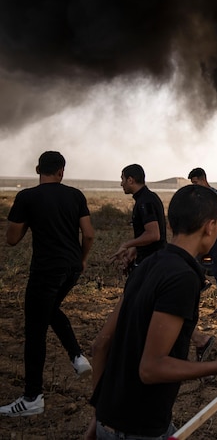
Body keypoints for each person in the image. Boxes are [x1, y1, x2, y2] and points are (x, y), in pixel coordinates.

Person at [85, 185, 217, 440]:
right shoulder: (182, 278)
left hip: (109, 422)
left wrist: (100, 415)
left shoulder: (146, 265)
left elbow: (101, 344)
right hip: (140, 429)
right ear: (210, 227)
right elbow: (151, 368)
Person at [0, 151, 96, 417]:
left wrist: (30, 219)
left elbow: (11, 239)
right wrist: (82, 259)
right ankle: (77, 356)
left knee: (35, 330)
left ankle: (32, 398)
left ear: (37, 169)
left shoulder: (27, 197)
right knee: (50, 309)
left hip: (45, 270)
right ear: (62, 171)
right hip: (71, 269)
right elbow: (88, 234)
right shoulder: (76, 195)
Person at [112, 164, 215, 361]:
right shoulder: (146, 199)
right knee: (156, 307)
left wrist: (128, 244)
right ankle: (200, 339)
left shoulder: (145, 202)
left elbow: (154, 234)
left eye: (123, 179)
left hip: (152, 263)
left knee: (138, 304)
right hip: (151, 260)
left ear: (131, 180)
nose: (121, 183)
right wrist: (135, 249)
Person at [188, 167, 217, 317]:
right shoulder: (199, 196)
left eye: (196, 182)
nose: (194, 185)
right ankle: (204, 282)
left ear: (203, 179)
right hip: (206, 236)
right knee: (192, 260)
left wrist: (212, 233)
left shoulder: (213, 195)